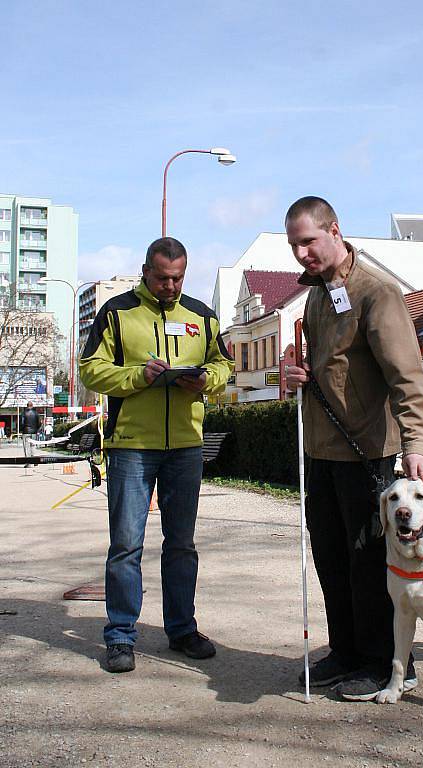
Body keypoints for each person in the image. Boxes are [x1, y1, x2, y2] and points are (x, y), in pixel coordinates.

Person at [285, 197, 423, 702]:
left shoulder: (376, 292)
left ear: (334, 230)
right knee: (330, 556)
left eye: (308, 241)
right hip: (322, 451)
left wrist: (417, 444)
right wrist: (297, 375)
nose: (301, 253)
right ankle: (346, 651)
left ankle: (389, 662)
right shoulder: (314, 298)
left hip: (366, 451)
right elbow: (327, 370)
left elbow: (407, 376)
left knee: (368, 561)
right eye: (294, 245)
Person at [80, 237, 234, 673]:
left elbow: (224, 364)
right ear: (145, 270)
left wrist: (206, 381)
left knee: (181, 544)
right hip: (132, 445)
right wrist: (138, 376)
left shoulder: (201, 315)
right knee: (126, 544)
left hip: (185, 444)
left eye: (179, 278)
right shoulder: (117, 312)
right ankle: (120, 636)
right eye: (163, 277)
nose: (171, 286)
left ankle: (182, 629)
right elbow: (90, 367)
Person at [20, 402, 42, 467]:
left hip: (26, 431)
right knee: (33, 446)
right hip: (34, 432)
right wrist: (36, 429)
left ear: (27, 406)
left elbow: (22, 423)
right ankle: (35, 461)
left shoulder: (24, 413)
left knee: (27, 447)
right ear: (32, 406)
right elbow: (39, 423)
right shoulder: (36, 413)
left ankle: (28, 462)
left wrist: (22, 430)